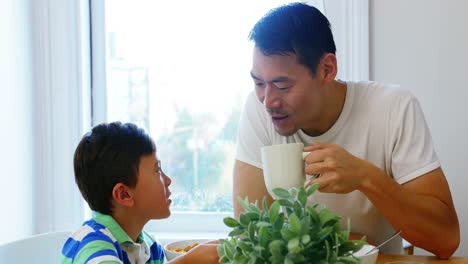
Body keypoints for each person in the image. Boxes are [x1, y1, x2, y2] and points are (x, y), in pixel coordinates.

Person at [233, 2, 459, 259]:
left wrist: (366, 178)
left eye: (282, 85)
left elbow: (446, 239)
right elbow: (248, 234)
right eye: (259, 83)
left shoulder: (393, 108)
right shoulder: (258, 110)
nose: (268, 101)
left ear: (327, 69)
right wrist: (335, 241)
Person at [61, 122, 219, 263]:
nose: (168, 180)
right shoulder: (92, 246)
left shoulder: (149, 249)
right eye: (157, 170)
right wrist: (187, 261)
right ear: (124, 194)